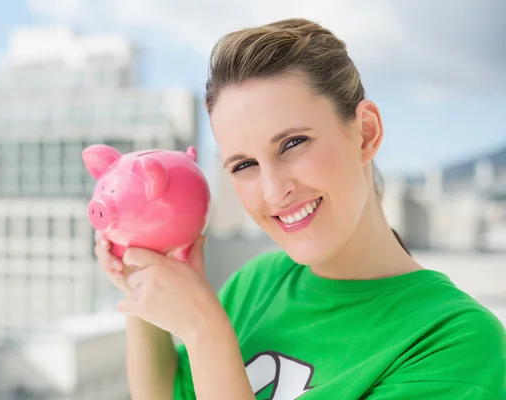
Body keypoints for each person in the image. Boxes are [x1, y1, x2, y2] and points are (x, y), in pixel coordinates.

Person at [94, 18, 506, 399]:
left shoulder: (454, 341)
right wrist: (143, 280)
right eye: (244, 165)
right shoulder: (255, 285)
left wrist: (206, 332)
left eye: (293, 143)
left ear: (366, 133)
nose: (274, 191)